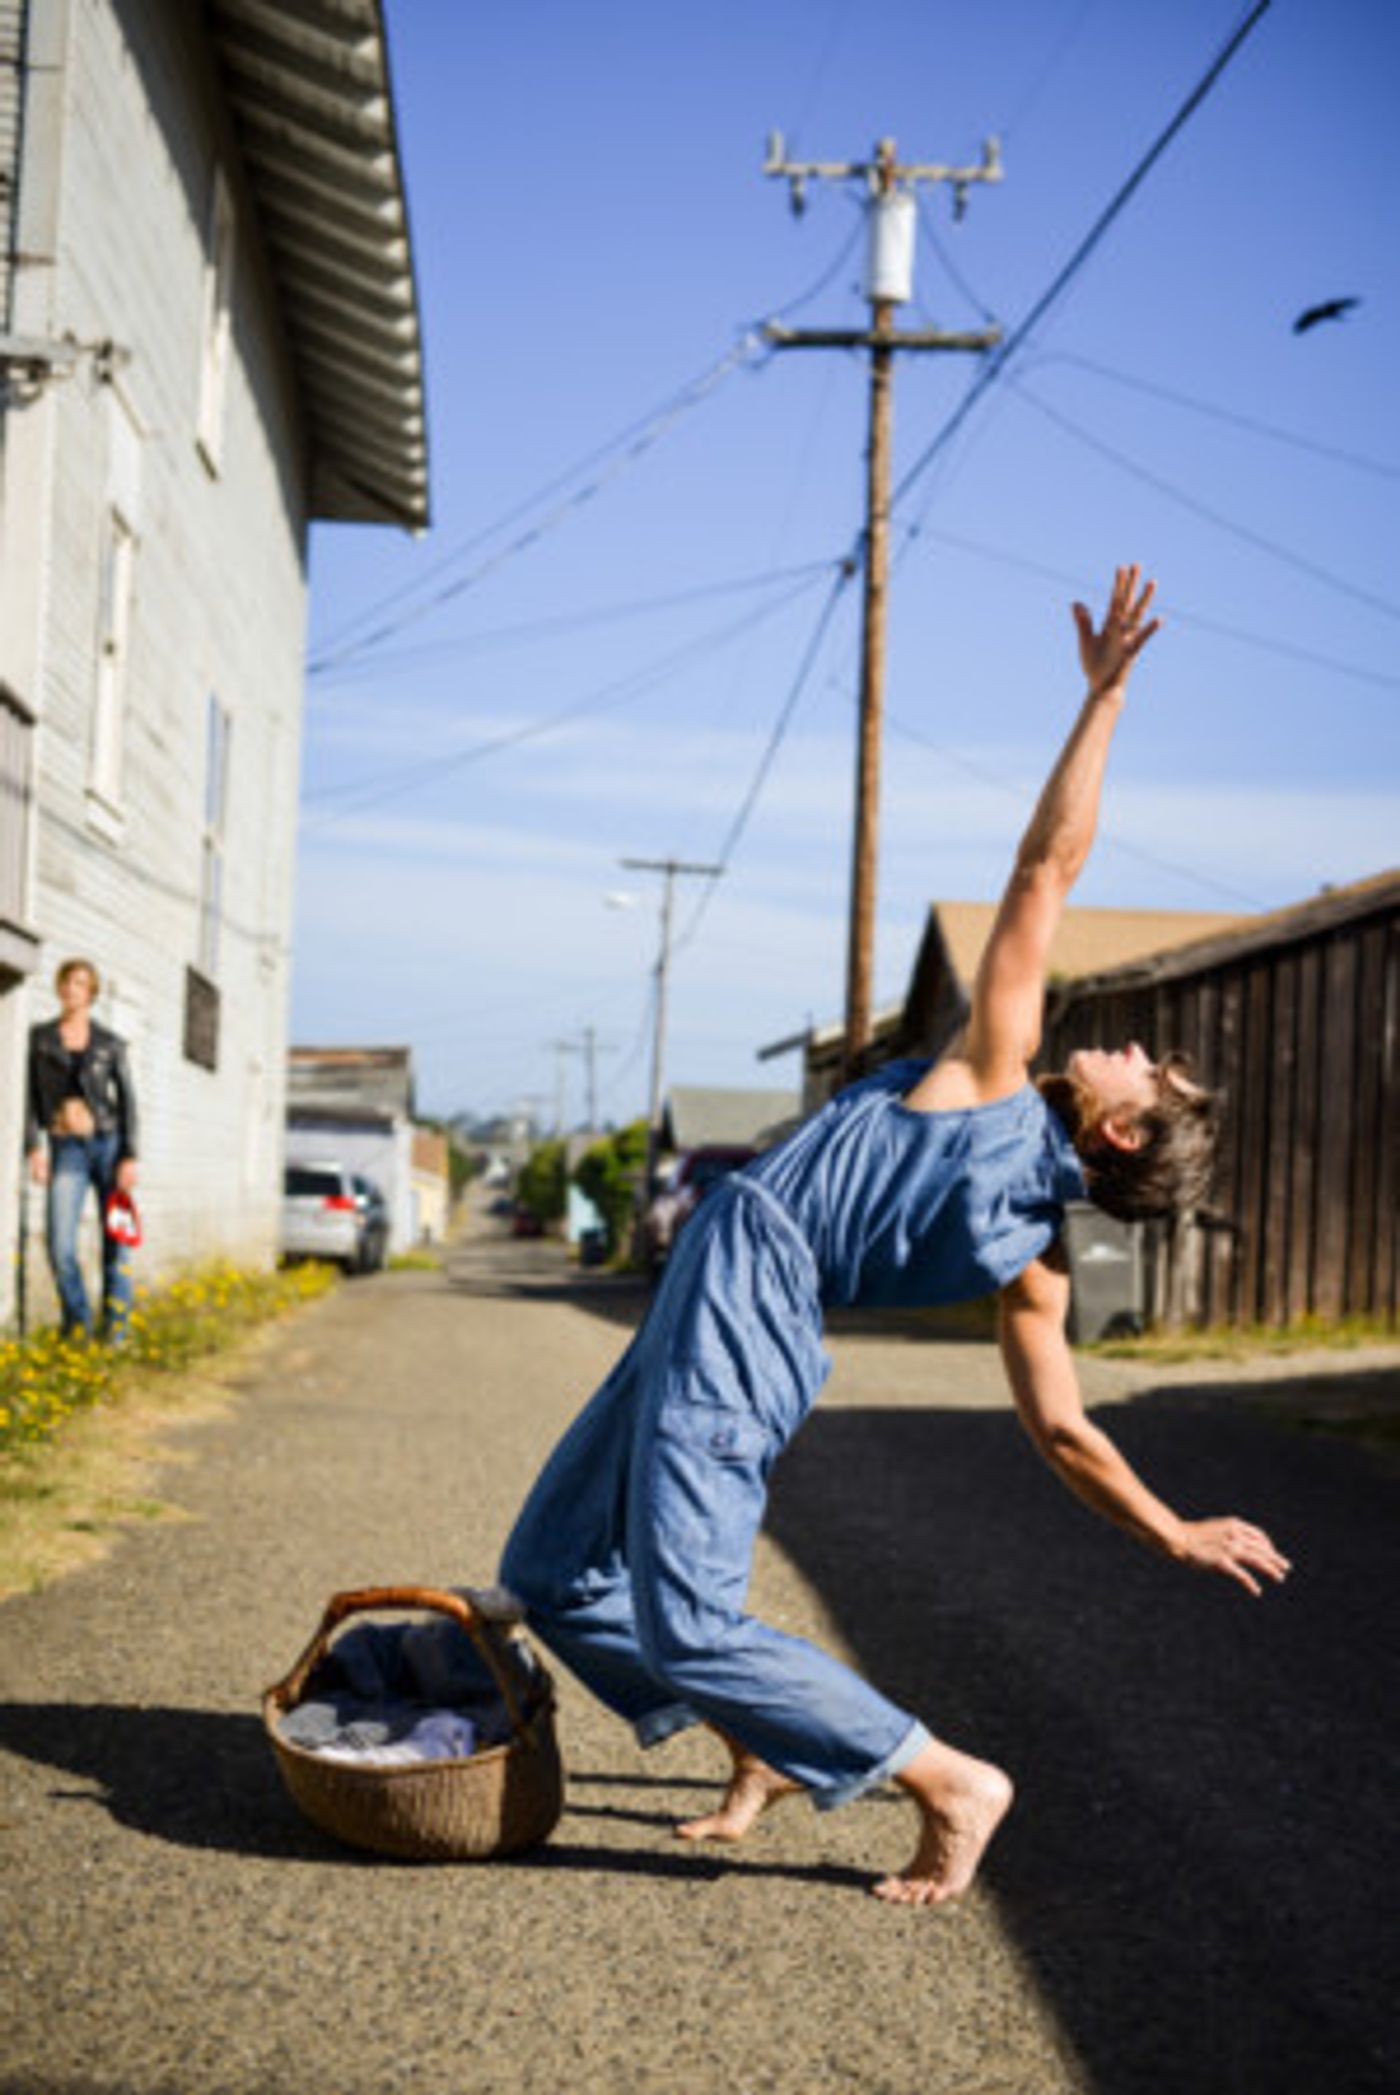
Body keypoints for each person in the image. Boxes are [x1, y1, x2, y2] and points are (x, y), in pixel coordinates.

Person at [499, 567, 1291, 1908]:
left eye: (1150, 1076)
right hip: (736, 1300)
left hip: (749, 1300)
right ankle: (759, 1739)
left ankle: (943, 1776)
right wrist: (1166, 1530)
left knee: (685, 1611)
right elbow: (1064, 1434)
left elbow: (1047, 865)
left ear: (1117, 1136)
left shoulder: (992, 1076)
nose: (1138, 1048)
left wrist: (1101, 698)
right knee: (555, 1571)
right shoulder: (1035, 1252)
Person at [25, 957, 139, 1341]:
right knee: (59, 1245)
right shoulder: (40, 1038)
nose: (73, 990)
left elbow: (128, 1103)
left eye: (82, 984)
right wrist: (33, 1148)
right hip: (64, 1148)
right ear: (59, 988)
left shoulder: (109, 1044)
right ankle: (78, 1324)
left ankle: (116, 1333)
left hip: (107, 1146)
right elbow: (29, 1098)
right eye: (68, 982)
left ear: (91, 993)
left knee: (116, 1246)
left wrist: (129, 1156)